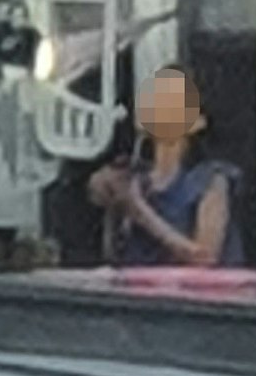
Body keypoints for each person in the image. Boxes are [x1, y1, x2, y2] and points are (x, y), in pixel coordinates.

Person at [89, 66, 245, 269]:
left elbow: (205, 258)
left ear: (197, 122)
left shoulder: (211, 180)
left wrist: (139, 212)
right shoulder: (134, 177)